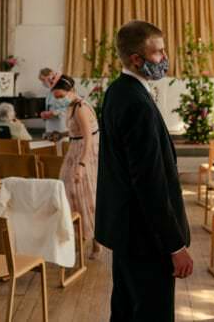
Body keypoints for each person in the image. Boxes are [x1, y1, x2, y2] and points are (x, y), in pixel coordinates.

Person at [96, 20, 191, 322]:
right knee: (152, 312)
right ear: (136, 59)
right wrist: (174, 245)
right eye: (159, 52)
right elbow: (149, 183)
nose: (165, 58)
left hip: (127, 230)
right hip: (146, 237)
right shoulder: (134, 101)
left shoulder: (118, 91)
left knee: (126, 309)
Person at [51, 75, 101, 257]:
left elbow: (88, 138)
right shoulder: (71, 106)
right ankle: (78, 236)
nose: (57, 98)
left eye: (58, 95)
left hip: (85, 152)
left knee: (86, 194)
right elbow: (77, 130)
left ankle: (96, 240)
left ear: (68, 90)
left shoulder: (80, 107)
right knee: (67, 191)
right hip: (74, 147)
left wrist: (82, 164)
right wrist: (61, 134)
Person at [39, 67, 70, 142]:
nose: (43, 83)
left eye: (44, 80)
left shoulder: (62, 90)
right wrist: (45, 114)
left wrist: (54, 113)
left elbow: (69, 107)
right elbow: (49, 108)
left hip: (61, 127)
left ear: (51, 76)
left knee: (62, 149)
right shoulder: (49, 92)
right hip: (50, 127)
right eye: (41, 81)